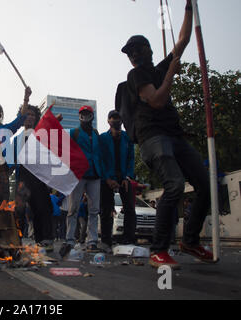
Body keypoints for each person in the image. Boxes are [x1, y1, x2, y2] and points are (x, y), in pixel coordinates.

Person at [122, 0, 215, 269]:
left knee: (205, 186)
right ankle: (158, 250)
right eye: (130, 53)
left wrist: (188, 8)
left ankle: (190, 241)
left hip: (175, 137)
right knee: (174, 184)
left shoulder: (159, 66)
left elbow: (183, 40)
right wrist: (171, 75)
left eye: (137, 50)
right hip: (153, 138)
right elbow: (157, 101)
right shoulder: (136, 74)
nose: (134, 55)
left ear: (148, 50)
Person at [59, 105, 104, 257]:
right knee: (73, 209)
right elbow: (64, 150)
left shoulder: (97, 133)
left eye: (88, 113)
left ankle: (92, 242)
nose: (85, 116)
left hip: (95, 175)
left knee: (94, 210)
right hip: (78, 175)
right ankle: (70, 240)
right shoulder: (73, 132)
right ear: (79, 116)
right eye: (82, 113)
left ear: (92, 115)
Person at [13, 103, 54, 251]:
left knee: (42, 209)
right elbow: (11, 160)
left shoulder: (41, 136)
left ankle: (43, 240)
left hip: (39, 178)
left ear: (36, 118)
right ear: (22, 117)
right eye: (27, 114)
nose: (30, 117)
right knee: (19, 211)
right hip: (22, 178)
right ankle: (16, 241)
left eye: (32, 115)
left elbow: (49, 158)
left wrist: (49, 180)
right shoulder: (17, 139)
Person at [99, 110, 136, 252]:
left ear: (122, 120)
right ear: (108, 121)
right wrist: (107, 178)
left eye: (118, 118)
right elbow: (100, 159)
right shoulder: (102, 138)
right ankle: (106, 242)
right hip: (107, 178)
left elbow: (131, 158)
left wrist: (128, 177)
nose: (115, 120)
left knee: (130, 209)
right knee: (106, 209)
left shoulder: (127, 138)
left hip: (124, 177)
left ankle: (128, 239)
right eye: (112, 118)